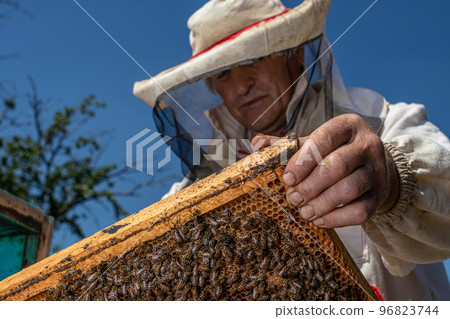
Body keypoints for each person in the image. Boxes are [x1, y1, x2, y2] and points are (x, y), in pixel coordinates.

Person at [134, 0, 450, 300]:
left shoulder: (382, 118)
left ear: (295, 54)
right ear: (214, 88)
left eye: (253, 59)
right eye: (224, 74)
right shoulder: (192, 189)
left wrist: (392, 181)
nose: (242, 85)